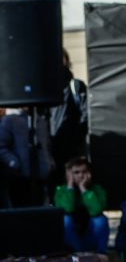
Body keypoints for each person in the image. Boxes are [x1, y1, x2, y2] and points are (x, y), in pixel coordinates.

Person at [53, 156, 110, 254]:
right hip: (72, 242)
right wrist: (70, 186)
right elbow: (67, 209)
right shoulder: (61, 191)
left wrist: (83, 189)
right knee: (65, 219)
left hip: (90, 238)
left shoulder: (97, 189)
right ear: (68, 174)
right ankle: (75, 255)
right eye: (76, 172)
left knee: (100, 220)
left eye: (84, 172)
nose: (81, 175)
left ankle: (101, 255)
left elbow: (96, 211)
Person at [0, 107, 55, 206]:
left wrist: (49, 163)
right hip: (20, 177)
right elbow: (1, 147)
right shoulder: (9, 120)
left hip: (40, 175)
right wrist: (14, 163)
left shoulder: (40, 121)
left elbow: (46, 145)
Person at [49, 50, 89, 181]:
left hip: (71, 152)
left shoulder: (75, 86)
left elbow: (86, 114)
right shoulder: (45, 87)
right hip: (50, 150)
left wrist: (76, 139)